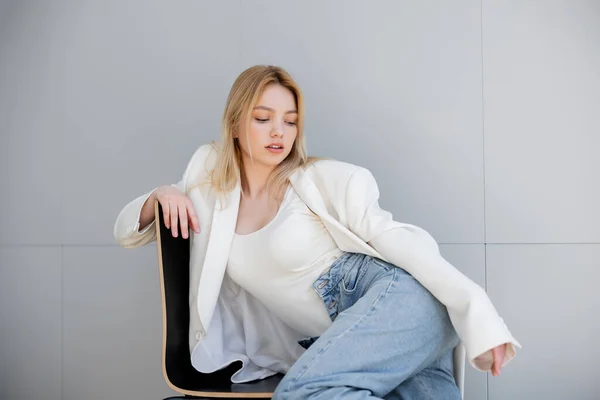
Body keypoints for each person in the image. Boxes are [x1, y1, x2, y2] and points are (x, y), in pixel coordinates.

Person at [114, 65, 520, 399]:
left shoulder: (318, 181)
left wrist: (479, 314)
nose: (279, 132)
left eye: (290, 122)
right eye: (263, 119)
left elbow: (400, 241)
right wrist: (163, 193)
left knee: (303, 394)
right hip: (358, 334)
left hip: (400, 302)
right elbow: (127, 231)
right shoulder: (209, 181)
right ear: (235, 124)